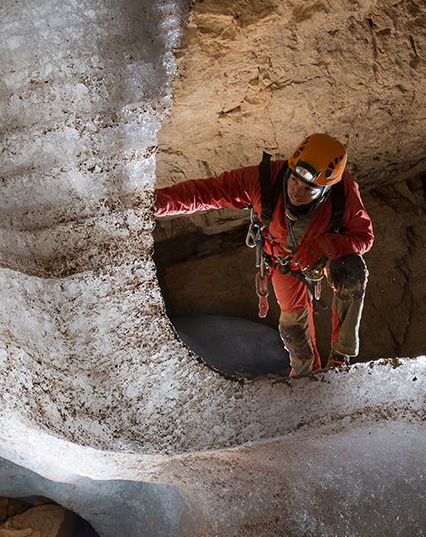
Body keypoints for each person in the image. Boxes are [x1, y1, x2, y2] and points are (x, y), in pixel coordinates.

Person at [155, 133, 374, 376]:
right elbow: (207, 192)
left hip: (322, 258)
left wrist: (326, 245)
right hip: (283, 262)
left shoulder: (343, 192)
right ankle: (305, 376)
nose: (297, 193)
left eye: (308, 190)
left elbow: (364, 237)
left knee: (352, 269)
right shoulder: (264, 180)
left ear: (326, 189)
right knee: (293, 330)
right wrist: (154, 203)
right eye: (294, 181)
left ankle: (341, 358)